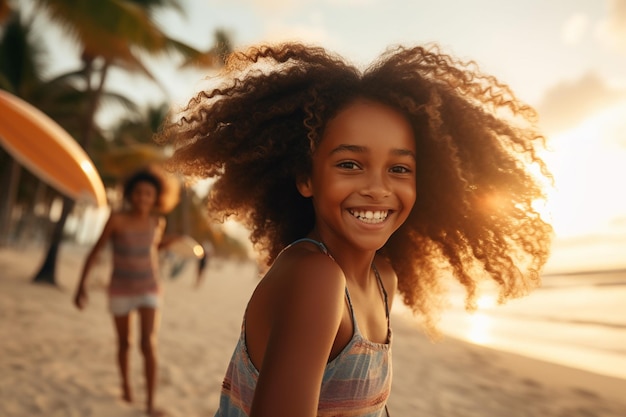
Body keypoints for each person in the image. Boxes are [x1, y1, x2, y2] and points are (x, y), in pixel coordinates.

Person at [158, 42, 553, 416]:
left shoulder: (383, 279)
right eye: (350, 164)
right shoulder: (315, 277)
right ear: (306, 177)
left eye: (399, 169)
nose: (378, 188)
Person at [74, 167, 178, 416]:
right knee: (124, 343)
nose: (143, 198)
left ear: (157, 198)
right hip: (120, 288)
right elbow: (95, 251)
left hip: (149, 287)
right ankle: (125, 387)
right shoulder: (116, 219)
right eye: (139, 193)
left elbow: (150, 248)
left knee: (148, 343)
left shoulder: (157, 222)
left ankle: (151, 403)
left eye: (149, 194)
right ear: (131, 194)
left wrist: (170, 243)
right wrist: (81, 287)